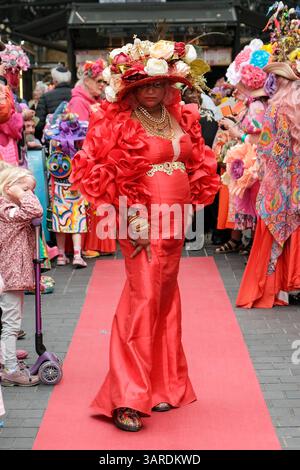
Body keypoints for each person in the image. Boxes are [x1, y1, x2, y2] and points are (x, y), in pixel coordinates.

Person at [71, 37, 220, 431]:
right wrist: (127, 217)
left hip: (176, 223)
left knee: (166, 297)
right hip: (140, 222)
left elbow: (197, 160)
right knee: (143, 299)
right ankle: (127, 397)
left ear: (170, 85)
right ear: (131, 88)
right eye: (143, 85)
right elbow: (99, 173)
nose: (153, 90)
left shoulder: (181, 115)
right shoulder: (116, 121)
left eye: (158, 84)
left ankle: (164, 385)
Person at [236, 5, 300, 308]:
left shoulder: (276, 106)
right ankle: (285, 283)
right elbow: (272, 147)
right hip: (288, 178)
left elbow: (269, 147)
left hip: (284, 179)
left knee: (277, 228)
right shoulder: (278, 107)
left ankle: (281, 285)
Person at [214, 39, 270, 254]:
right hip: (256, 161)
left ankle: (258, 250)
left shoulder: (256, 106)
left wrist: (234, 130)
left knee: (258, 207)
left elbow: (256, 139)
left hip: (258, 162)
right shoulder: (260, 104)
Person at [68, 58, 116, 257]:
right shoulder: (78, 102)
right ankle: (89, 244)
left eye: (104, 82)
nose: (103, 86)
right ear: (87, 81)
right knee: (91, 202)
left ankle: (99, 243)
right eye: (99, 81)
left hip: (99, 158)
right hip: (87, 160)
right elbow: (78, 135)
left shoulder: (95, 101)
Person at [0, 164, 42, 386]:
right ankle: (10, 370)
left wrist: (22, 191)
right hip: (10, 275)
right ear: (10, 188)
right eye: (27, 190)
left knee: (8, 321)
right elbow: (35, 210)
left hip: (10, 274)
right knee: (11, 324)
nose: (30, 195)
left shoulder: (7, 209)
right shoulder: (8, 211)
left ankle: (6, 360)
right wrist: (19, 193)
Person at [35, 65, 72, 140]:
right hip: (73, 137)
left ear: (54, 81)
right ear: (69, 80)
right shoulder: (76, 94)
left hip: (52, 139)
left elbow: (39, 123)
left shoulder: (46, 97)